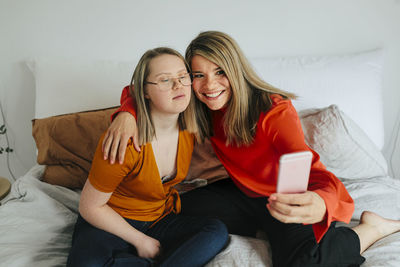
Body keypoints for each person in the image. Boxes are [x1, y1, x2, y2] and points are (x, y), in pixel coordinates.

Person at [102, 32, 400, 266]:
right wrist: (127, 114)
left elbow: (310, 172)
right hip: (242, 194)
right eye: (198, 75)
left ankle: (370, 230)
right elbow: (140, 87)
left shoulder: (274, 112)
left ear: (236, 70)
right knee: (170, 211)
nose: (209, 85)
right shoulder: (198, 100)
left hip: (286, 196)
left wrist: (321, 203)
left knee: (303, 264)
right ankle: (261, 227)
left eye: (220, 72)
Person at [67, 47, 228, 267]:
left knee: (216, 231)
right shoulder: (125, 140)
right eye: (165, 80)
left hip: (158, 219)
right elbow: (90, 207)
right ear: (144, 91)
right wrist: (140, 240)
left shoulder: (190, 126)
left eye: (183, 77)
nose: (178, 85)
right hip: (111, 222)